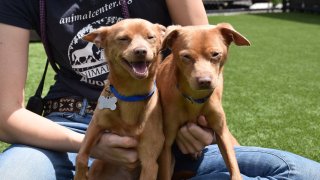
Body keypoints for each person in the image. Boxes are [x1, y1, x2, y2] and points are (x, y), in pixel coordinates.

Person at [0, 0, 319, 179]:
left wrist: (195, 120)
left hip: (164, 125)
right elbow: (6, 115)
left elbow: (207, 51)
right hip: (70, 129)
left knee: (302, 173)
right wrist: (92, 145)